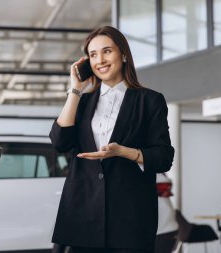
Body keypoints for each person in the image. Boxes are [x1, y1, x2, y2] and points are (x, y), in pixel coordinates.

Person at [49, 26, 174, 253]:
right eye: (93, 54)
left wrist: (124, 152)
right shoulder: (83, 102)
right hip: (82, 216)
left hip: (130, 218)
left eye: (107, 51)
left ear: (123, 54)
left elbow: (164, 157)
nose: (100, 60)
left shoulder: (150, 100)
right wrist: (75, 90)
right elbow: (59, 142)